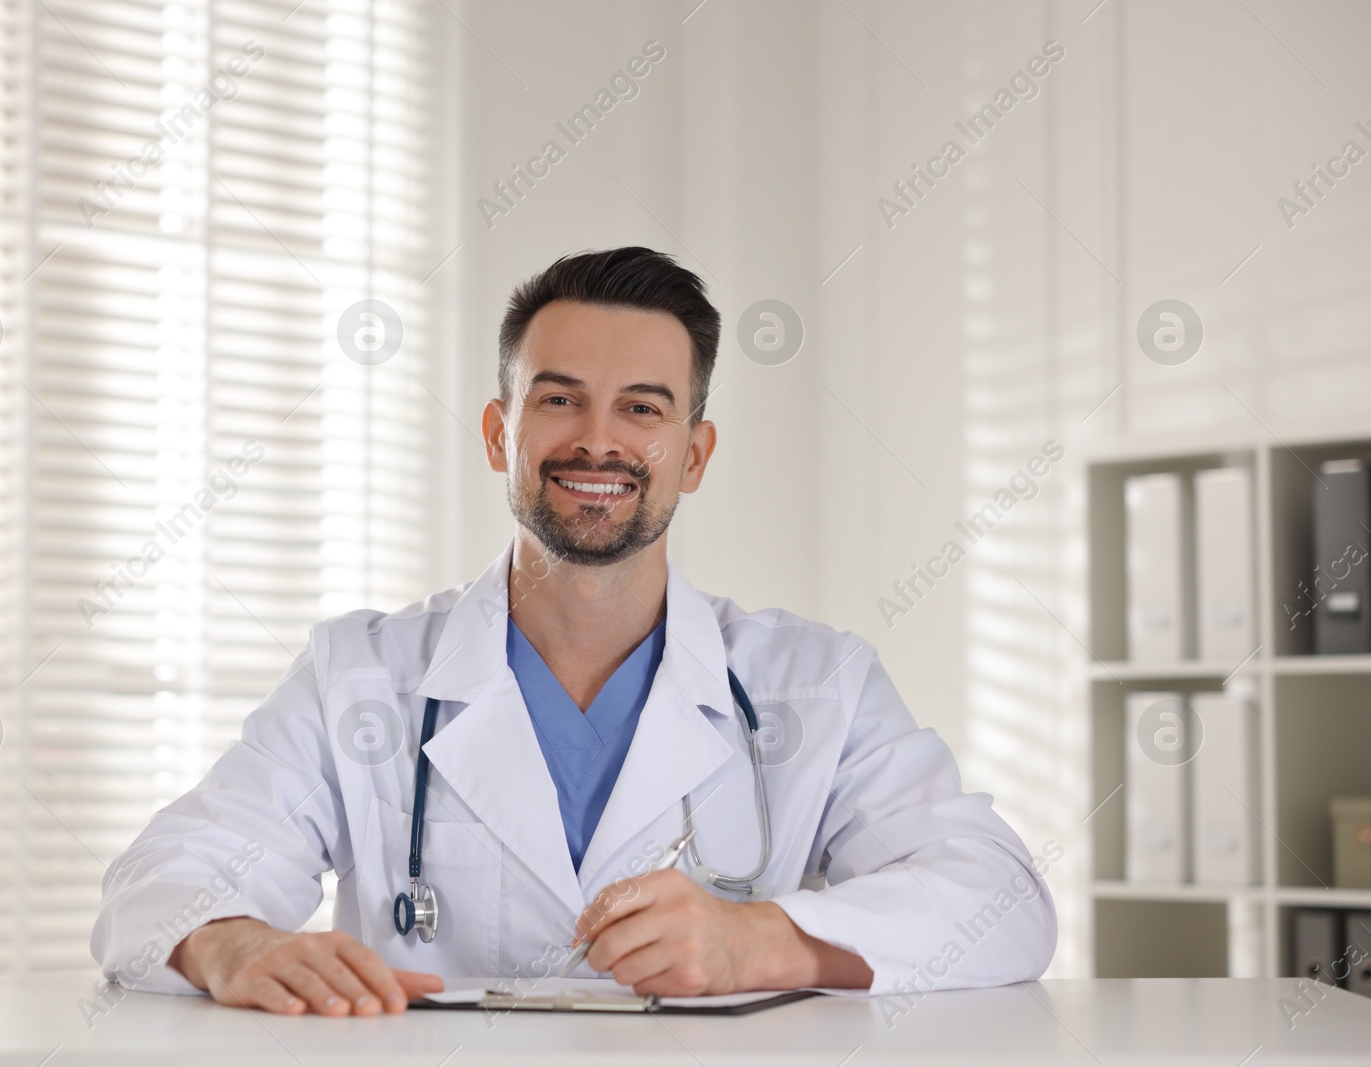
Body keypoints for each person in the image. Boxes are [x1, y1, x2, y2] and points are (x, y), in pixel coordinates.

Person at [91, 246, 1057, 1017]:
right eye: (559, 399)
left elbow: (1002, 902)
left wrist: (758, 940)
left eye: (643, 407)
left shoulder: (816, 684)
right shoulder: (362, 675)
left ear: (694, 452)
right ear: (498, 433)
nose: (599, 439)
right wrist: (232, 940)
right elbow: (161, 878)